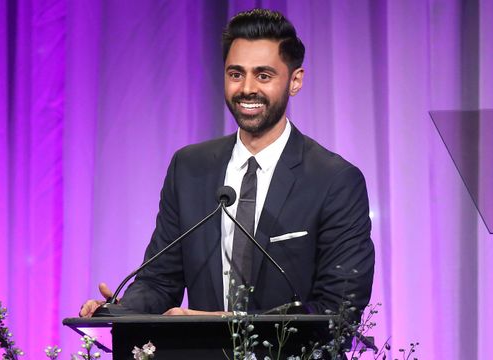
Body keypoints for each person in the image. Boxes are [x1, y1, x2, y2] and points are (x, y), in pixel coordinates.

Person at [80, 8, 374, 318]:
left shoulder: (334, 180)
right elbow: (160, 280)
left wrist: (223, 323)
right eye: (236, 73)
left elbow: (339, 310)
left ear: (295, 80)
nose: (247, 88)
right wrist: (118, 310)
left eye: (263, 75)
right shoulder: (189, 168)